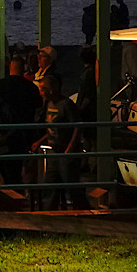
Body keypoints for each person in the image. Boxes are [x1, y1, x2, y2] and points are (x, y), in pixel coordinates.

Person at [0, 55, 43, 187]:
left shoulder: (0, 85)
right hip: (25, 132)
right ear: (23, 68)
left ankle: (11, 188)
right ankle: (22, 189)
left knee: (5, 165)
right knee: (22, 166)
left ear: (10, 67)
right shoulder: (31, 87)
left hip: (4, 132)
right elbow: (38, 108)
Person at [38, 74, 85, 210]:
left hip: (64, 150)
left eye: (42, 89)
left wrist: (70, 147)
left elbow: (77, 126)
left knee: (70, 183)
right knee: (50, 183)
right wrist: (40, 141)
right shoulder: (49, 104)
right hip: (54, 150)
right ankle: (50, 212)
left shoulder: (66, 105)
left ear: (50, 90)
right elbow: (52, 128)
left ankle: (80, 210)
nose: (41, 93)